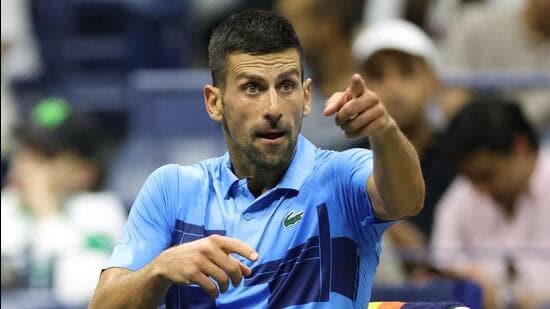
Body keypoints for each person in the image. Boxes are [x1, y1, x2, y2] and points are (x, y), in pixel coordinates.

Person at [90, 9, 424, 308]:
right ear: (214, 102)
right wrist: (159, 269)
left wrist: (384, 132)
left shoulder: (341, 178)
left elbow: (406, 199)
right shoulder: (172, 190)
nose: (274, 109)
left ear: (307, 97)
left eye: (287, 86)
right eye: (253, 88)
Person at [351, 20, 462, 259]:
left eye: (406, 72)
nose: (392, 86)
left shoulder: (461, 157)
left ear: (433, 81)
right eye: (378, 75)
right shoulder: (346, 161)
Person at [0, 98, 127, 305]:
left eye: (42, 157)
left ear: (84, 172)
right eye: (23, 152)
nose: (23, 165)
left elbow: (87, 290)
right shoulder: (7, 204)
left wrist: (47, 215)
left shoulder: (100, 210)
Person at [431, 97, 550, 308]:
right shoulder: (464, 192)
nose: (479, 189)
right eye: (471, 178)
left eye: (487, 176)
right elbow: (441, 263)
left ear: (520, 148)